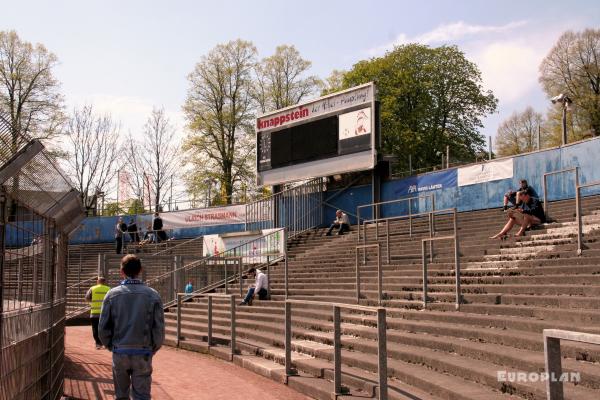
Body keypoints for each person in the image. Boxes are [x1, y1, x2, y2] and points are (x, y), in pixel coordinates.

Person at [99, 255, 165, 400]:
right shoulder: (153, 295)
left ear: (121, 271)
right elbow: (158, 328)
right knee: (142, 396)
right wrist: (153, 347)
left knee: (121, 395)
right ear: (140, 270)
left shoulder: (111, 295)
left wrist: (110, 346)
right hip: (143, 352)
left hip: (119, 350)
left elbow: (103, 328)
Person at [84, 277, 110, 349]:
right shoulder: (108, 289)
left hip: (94, 313)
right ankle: (105, 343)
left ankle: (98, 343)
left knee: (95, 328)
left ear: (97, 282)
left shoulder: (92, 288)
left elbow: (86, 298)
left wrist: (91, 303)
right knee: (105, 328)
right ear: (104, 282)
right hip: (105, 313)